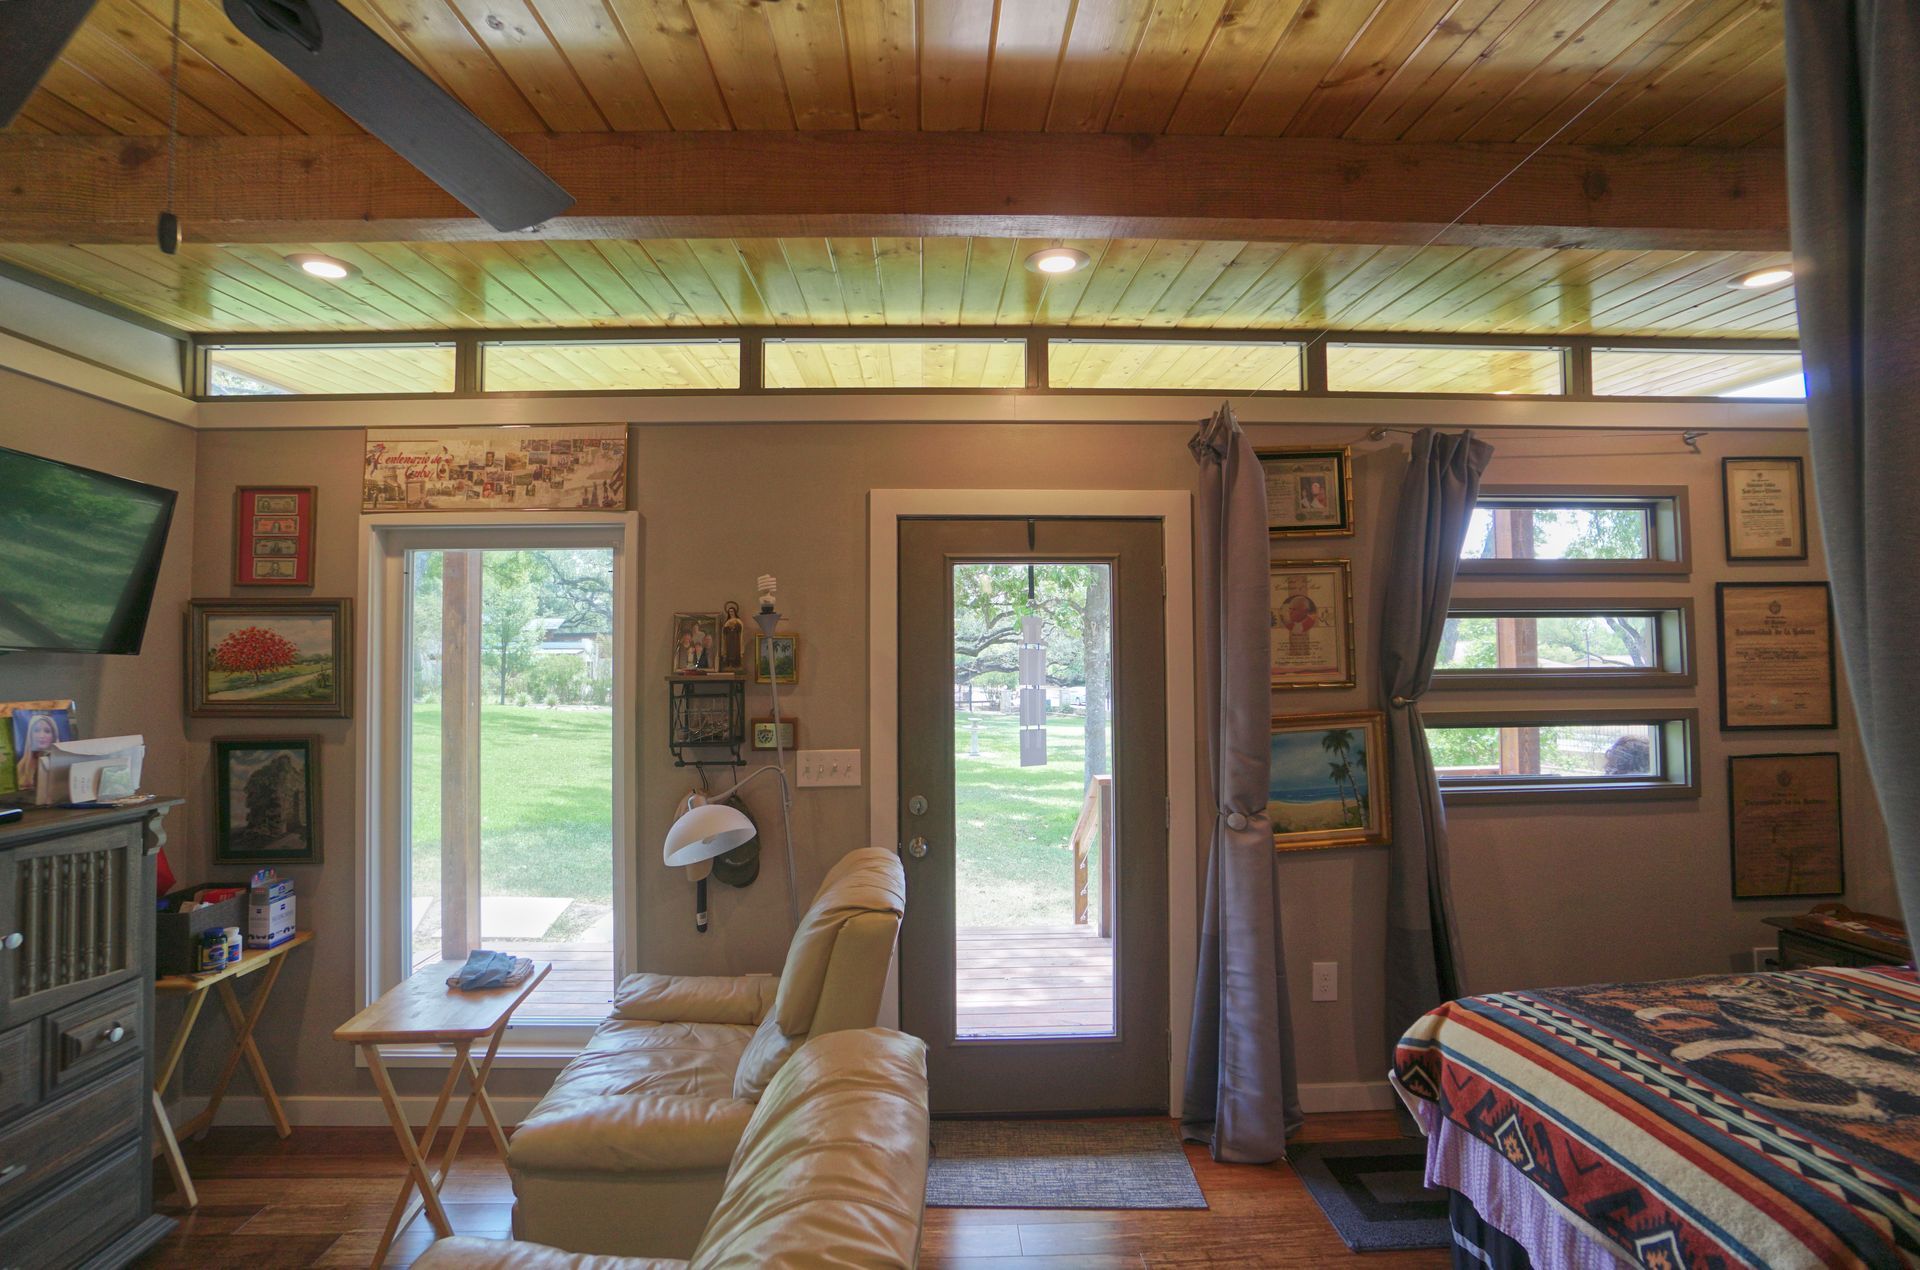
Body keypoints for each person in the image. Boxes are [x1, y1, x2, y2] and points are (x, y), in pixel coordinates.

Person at [14, 712, 60, 793]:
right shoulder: (20, 768)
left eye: (47, 731)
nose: (41, 736)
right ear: (30, 735)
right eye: (36, 730)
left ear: (54, 736)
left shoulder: (62, 764)